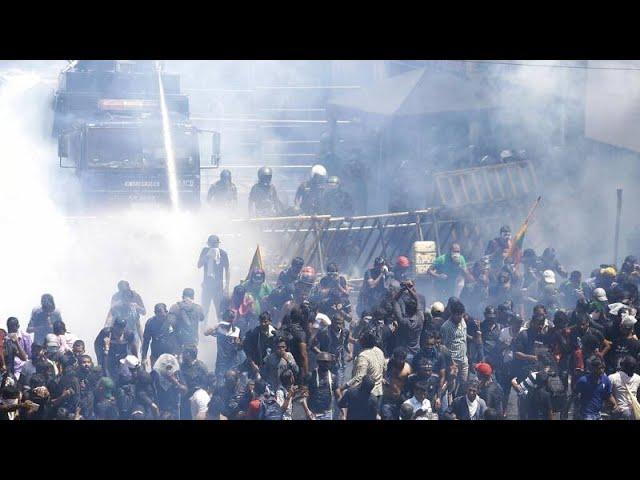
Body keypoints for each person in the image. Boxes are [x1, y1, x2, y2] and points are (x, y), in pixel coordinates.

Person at [340, 330, 385, 404]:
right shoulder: (379, 351)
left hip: (368, 395)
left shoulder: (363, 356)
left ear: (363, 342)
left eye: (361, 339)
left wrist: (343, 387)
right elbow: (384, 368)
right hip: (379, 392)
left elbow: (359, 377)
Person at [311, 313, 351, 387]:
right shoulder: (324, 332)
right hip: (325, 365)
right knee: (326, 385)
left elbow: (346, 344)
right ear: (332, 323)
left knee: (338, 386)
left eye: (340, 323)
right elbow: (312, 346)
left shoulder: (345, 332)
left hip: (339, 364)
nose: (338, 325)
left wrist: (350, 353)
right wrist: (324, 355)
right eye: (336, 323)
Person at [197, 235, 230, 323]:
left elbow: (227, 271)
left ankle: (220, 330)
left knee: (219, 310)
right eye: (211, 244)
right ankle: (203, 330)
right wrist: (207, 256)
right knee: (204, 310)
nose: (213, 246)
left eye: (215, 244)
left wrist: (227, 287)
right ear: (208, 244)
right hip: (206, 286)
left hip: (218, 288)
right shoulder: (205, 251)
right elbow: (199, 265)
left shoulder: (223, 254)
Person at [204, 309, 242, 381]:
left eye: (231, 318)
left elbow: (240, 347)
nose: (229, 321)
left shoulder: (237, 330)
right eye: (228, 319)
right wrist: (217, 325)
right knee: (220, 382)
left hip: (233, 362)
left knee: (233, 381)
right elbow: (206, 333)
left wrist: (238, 343)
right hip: (221, 362)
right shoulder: (219, 329)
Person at [574, 356, 614, 420]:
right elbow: (574, 395)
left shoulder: (605, 380)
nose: (601, 371)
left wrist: (615, 405)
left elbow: (609, 395)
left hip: (598, 414)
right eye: (599, 368)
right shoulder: (583, 381)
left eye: (603, 368)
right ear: (592, 369)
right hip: (586, 414)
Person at [302, 351, 339, 420]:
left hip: (327, 413)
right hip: (313, 413)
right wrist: (307, 412)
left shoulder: (333, 377)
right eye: (324, 362)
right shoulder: (311, 376)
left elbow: (338, 396)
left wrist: (343, 413)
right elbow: (304, 397)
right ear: (318, 362)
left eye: (328, 362)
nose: (326, 364)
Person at [439, 299, 469, 384]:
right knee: (451, 386)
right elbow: (443, 347)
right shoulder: (446, 327)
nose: (460, 317)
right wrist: (451, 362)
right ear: (452, 314)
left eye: (461, 314)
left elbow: (464, 339)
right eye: (457, 315)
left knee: (464, 384)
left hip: (464, 361)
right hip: (452, 363)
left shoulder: (463, 321)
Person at [141, 303, 178, 369]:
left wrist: (177, 353)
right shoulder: (150, 323)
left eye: (163, 316)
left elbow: (178, 337)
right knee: (156, 376)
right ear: (155, 313)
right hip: (156, 355)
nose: (161, 319)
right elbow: (146, 341)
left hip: (170, 355)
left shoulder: (172, 321)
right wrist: (144, 357)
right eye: (159, 316)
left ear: (166, 312)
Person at [151, 353, 187, 420]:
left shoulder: (177, 374)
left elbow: (184, 391)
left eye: (170, 367)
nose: (168, 370)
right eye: (166, 367)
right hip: (160, 409)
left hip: (174, 409)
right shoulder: (155, 374)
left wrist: (174, 381)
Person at [169, 288, 205, 353]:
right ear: (193, 297)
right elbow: (202, 318)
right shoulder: (198, 308)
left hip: (178, 341)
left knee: (178, 360)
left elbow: (171, 322)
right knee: (191, 360)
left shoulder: (175, 307)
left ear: (182, 297)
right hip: (193, 340)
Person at [243, 311, 277, 380]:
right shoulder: (253, 333)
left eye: (265, 322)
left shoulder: (275, 332)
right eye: (261, 322)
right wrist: (253, 364)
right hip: (257, 364)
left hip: (271, 365)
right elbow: (248, 351)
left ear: (270, 321)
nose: (263, 324)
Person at [380, 347, 412, 420]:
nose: (400, 361)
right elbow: (379, 375)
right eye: (398, 358)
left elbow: (409, 385)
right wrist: (382, 379)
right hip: (387, 399)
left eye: (402, 358)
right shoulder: (386, 364)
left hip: (400, 400)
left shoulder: (407, 368)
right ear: (394, 357)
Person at [179, 345, 209, 420]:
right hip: (185, 399)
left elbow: (206, 383)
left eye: (184, 353)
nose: (182, 355)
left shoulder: (201, 366)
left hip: (197, 399)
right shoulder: (182, 366)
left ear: (188, 354)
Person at [609, 355, 640, 420]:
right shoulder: (638, 378)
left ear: (622, 365)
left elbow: (608, 394)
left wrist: (614, 405)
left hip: (620, 411)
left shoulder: (612, 377)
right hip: (635, 411)